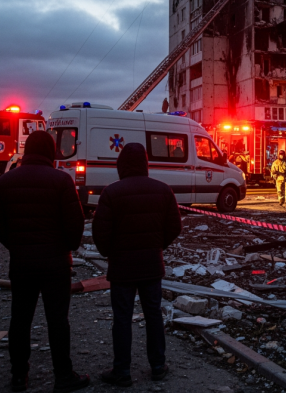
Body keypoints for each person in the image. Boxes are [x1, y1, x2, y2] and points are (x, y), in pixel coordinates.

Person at [0, 131, 89, 393]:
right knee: (58, 320)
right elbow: (75, 223)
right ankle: (64, 376)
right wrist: (66, 246)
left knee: (20, 319)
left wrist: (16, 245)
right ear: (51, 152)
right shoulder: (61, 180)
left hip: (22, 263)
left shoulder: (6, 181)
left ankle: (19, 376)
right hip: (56, 264)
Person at [93, 143, 182, 387]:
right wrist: (157, 246)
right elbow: (175, 227)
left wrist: (111, 253)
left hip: (122, 267)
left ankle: (121, 370)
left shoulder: (111, 193)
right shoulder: (163, 190)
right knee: (153, 314)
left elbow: (100, 232)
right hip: (151, 265)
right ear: (145, 164)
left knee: (122, 317)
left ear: (121, 165)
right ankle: (158, 366)